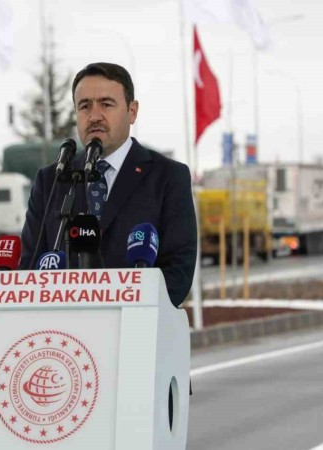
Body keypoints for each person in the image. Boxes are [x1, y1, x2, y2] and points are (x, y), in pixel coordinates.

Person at [20, 62, 197, 307]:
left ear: (132, 111)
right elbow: (28, 269)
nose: (94, 116)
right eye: (85, 106)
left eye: (106, 104)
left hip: (136, 323)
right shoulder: (52, 180)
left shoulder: (168, 176)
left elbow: (178, 271)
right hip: (63, 325)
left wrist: (126, 311)